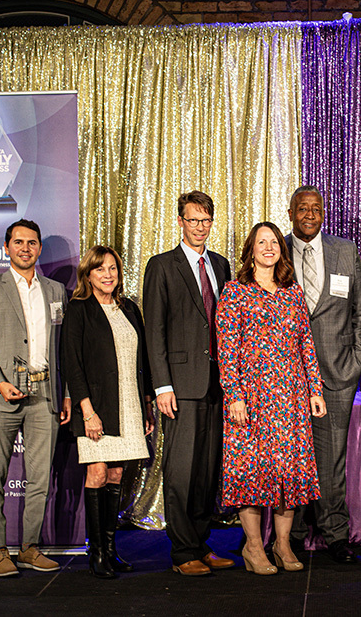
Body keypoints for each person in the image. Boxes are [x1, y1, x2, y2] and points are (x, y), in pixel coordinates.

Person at [217, 222, 328, 575]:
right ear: (250, 249)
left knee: (289, 472)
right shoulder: (234, 292)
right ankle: (253, 547)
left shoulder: (292, 291)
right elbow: (227, 348)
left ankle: (281, 544)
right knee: (252, 471)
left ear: (282, 249)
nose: (269, 247)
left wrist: (315, 390)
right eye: (261, 242)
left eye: (274, 242)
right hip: (251, 397)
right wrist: (234, 394)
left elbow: (305, 343)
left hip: (291, 397)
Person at [142, 191, 235, 576]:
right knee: (180, 470)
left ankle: (200, 542)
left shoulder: (221, 264)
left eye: (206, 220)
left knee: (207, 469)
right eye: (193, 220)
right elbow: (155, 330)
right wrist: (162, 385)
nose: (200, 227)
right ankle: (182, 552)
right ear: (180, 221)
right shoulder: (162, 265)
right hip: (180, 385)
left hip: (219, 383)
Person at [0, 219, 71, 577]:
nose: (25, 248)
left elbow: (63, 348)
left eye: (31, 243)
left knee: (40, 478)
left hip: (45, 395)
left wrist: (67, 395)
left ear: (40, 248)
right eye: (18, 242)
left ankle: (29, 547)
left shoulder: (56, 290)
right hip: (2, 397)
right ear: (6, 247)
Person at [284, 186, 361, 564]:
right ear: (290, 212)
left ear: (324, 213)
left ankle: (336, 533)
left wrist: (356, 360)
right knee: (291, 456)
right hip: (285, 376)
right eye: (302, 208)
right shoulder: (275, 250)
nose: (309, 214)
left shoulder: (345, 251)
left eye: (316, 208)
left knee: (332, 457)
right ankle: (295, 534)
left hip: (337, 373)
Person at [61, 246, 156, 579]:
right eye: (100, 269)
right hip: (96, 406)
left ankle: (111, 550)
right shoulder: (79, 309)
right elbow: (71, 364)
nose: (108, 275)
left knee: (117, 475)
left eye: (113, 268)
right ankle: (96, 553)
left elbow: (142, 361)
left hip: (128, 403)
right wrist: (86, 410)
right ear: (88, 274)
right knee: (98, 473)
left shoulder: (129, 308)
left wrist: (146, 404)